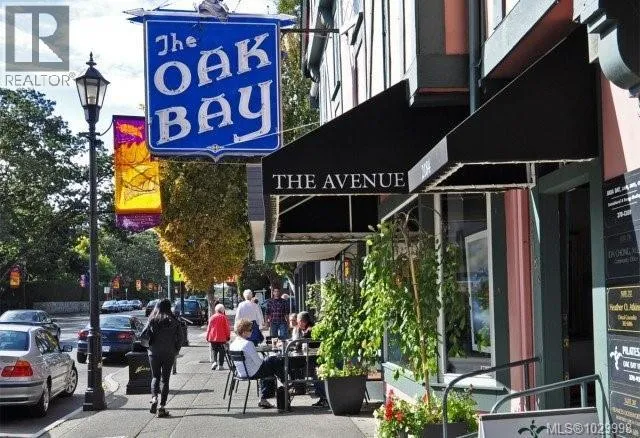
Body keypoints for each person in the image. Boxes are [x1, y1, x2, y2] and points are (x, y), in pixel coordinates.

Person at [229, 318, 286, 409]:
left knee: (270, 367)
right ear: (244, 332)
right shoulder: (248, 344)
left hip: (240, 372)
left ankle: (265, 398)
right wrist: (267, 358)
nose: (252, 331)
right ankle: (285, 382)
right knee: (274, 361)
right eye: (250, 330)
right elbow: (259, 363)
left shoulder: (232, 344)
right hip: (252, 372)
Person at [142, 298, 184, 417]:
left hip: (154, 352)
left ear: (158, 307)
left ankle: (154, 398)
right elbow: (181, 338)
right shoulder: (174, 320)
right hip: (169, 353)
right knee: (165, 380)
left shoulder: (152, 319)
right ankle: (162, 407)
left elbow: (143, 334)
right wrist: (176, 350)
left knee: (155, 376)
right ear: (169, 307)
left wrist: (149, 346)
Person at [290, 311, 327, 407]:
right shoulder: (311, 327)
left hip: (315, 359)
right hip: (315, 358)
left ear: (302, 322)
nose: (297, 324)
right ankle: (323, 398)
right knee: (315, 376)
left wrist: (293, 346)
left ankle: (323, 398)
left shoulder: (309, 330)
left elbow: (299, 344)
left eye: (298, 321)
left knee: (316, 376)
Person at [206, 303, 230, 370]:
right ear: (223, 310)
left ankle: (215, 362)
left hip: (213, 337)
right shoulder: (223, 317)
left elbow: (209, 328)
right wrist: (228, 336)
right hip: (222, 338)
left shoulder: (212, 317)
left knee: (214, 350)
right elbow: (227, 328)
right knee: (222, 351)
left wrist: (207, 336)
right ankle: (220, 365)